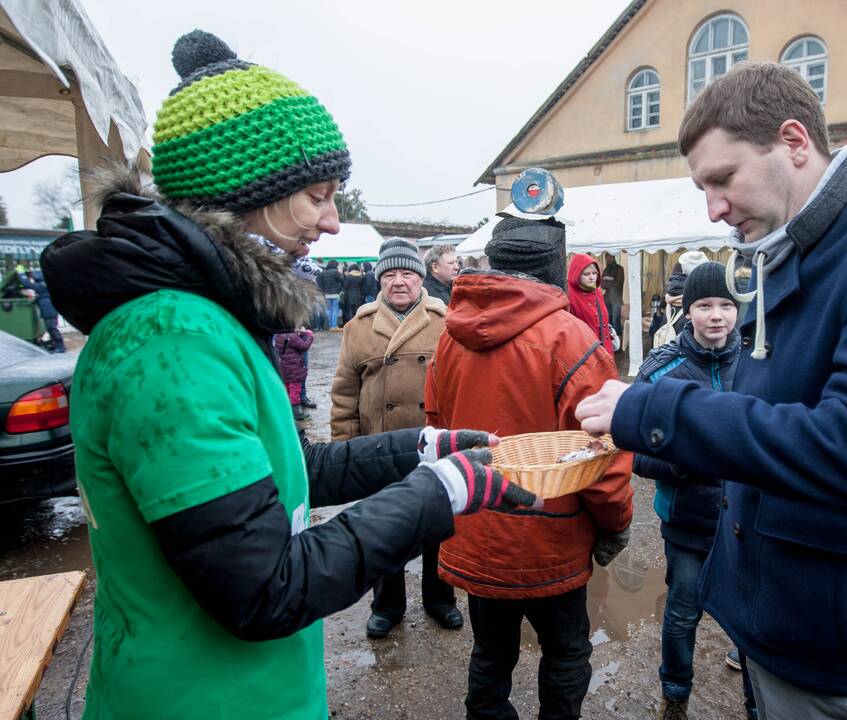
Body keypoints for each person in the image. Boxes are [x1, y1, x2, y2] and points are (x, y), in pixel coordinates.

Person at [39, 30, 535, 719]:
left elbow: (283, 473)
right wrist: (441, 493)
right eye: (318, 195)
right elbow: (266, 588)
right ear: (246, 194)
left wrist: (420, 450)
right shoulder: (171, 344)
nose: (334, 222)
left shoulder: (207, 321)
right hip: (201, 702)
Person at [576, 62, 847, 717]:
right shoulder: (787, 256)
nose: (711, 208)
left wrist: (655, 409)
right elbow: (762, 419)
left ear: (793, 143)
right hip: (784, 631)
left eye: (721, 179)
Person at [426, 215, 634, 720]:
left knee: (490, 653)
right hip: (551, 539)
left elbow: (436, 424)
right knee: (565, 652)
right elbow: (604, 454)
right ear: (554, 265)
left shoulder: (451, 336)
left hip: (478, 528)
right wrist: (616, 524)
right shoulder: (571, 338)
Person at [632, 262, 750, 720]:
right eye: (705, 305)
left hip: (748, 516)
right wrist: (694, 457)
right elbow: (637, 453)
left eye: (726, 304)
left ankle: (755, 691)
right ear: (688, 310)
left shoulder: (761, 364)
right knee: (683, 610)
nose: (717, 315)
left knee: (750, 604)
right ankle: (675, 690)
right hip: (688, 518)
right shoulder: (662, 371)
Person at [330, 237, 462, 639]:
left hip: (432, 444)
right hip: (377, 446)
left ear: (420, 277)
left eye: (406, 273)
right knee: (384, 528)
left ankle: (441, 600)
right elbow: (343, 393)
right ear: (379, 280)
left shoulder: (446, 320)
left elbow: (459, 385)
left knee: (438, 522)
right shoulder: (359, 327)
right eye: (390, 274)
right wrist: (344, 450)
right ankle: (387, 605)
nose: (398, 282)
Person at [566, 253, 615, 355]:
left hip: (605, 352)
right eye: (586, 274)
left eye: (594, 273)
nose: (592, 277)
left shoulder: (597, 292)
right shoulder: (569, 295)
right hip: (586, 355)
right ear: (577, 274)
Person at [18, 269, 65, 353]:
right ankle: (57, 345)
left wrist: (21, 275)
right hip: (49, 310)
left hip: (49, 311)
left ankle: (60, 347)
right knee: (50, 328)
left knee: (52, 328)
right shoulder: (46, 285)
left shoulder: (42, 286)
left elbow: (27, 284)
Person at [274, 327, 314, 420]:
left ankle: (288, 411)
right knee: (295, 390)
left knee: (287, 389)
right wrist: (309, 336)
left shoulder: (279, 335)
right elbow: (304, 346)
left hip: (284, 368)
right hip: (294, 369)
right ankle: (297, 412)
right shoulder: (292, 336)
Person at [602, 257, 624, 342]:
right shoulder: (606, 270)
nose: (609, 259)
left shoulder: (619, 269)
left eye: (610, 257)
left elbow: (618, 283)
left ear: (614, 257)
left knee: (616, 321)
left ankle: (618, 342)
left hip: (616, 300)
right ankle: (609, 342)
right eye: (607, 257)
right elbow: (602, 284)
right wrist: (610, 280)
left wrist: (608, 280)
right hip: (607, 300)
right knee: (608, 321)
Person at [317, 259, 344, 328]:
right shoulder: (335, 272)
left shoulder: (323, 273)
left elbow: (319, 284)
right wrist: (340, 289)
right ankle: (333, 325)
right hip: (335, 294)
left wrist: (323, 291)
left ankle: (329, 324)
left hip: (326, 294)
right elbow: (342, 280)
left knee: (329, 310)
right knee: (335, 310)